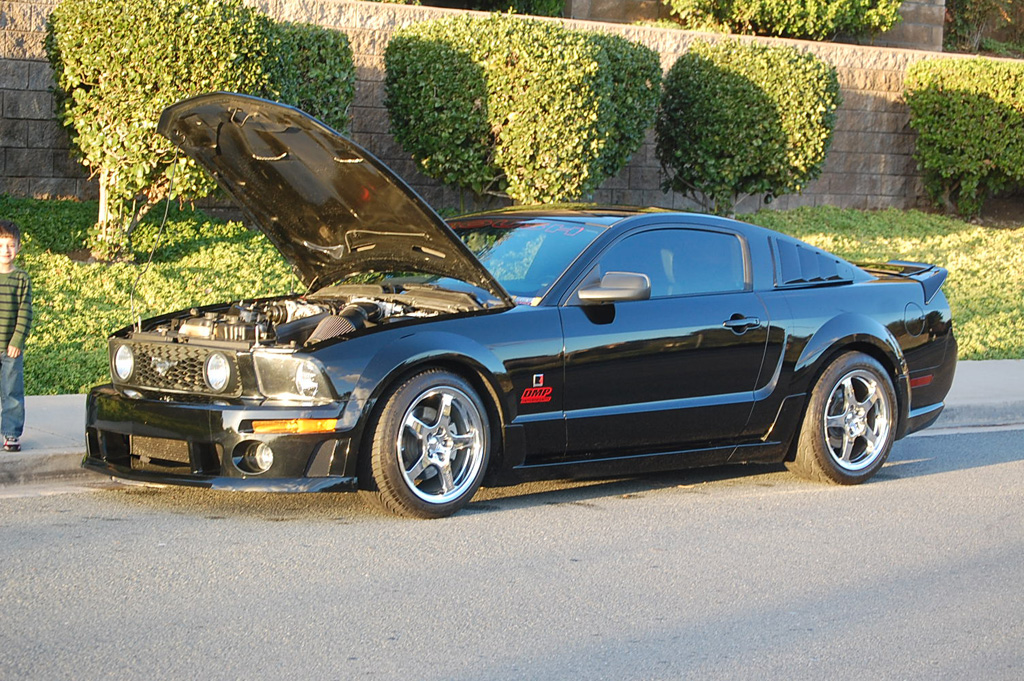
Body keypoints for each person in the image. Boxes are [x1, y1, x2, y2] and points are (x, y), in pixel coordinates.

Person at [0, 220, 32, 452]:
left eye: (11, 245)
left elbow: (25, 312)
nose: (6, 250)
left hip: (10, 348)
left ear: (18, 247)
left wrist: (17, 341)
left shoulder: (21, 278)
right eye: (1, 245)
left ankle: (11, 434)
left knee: (12, 392)